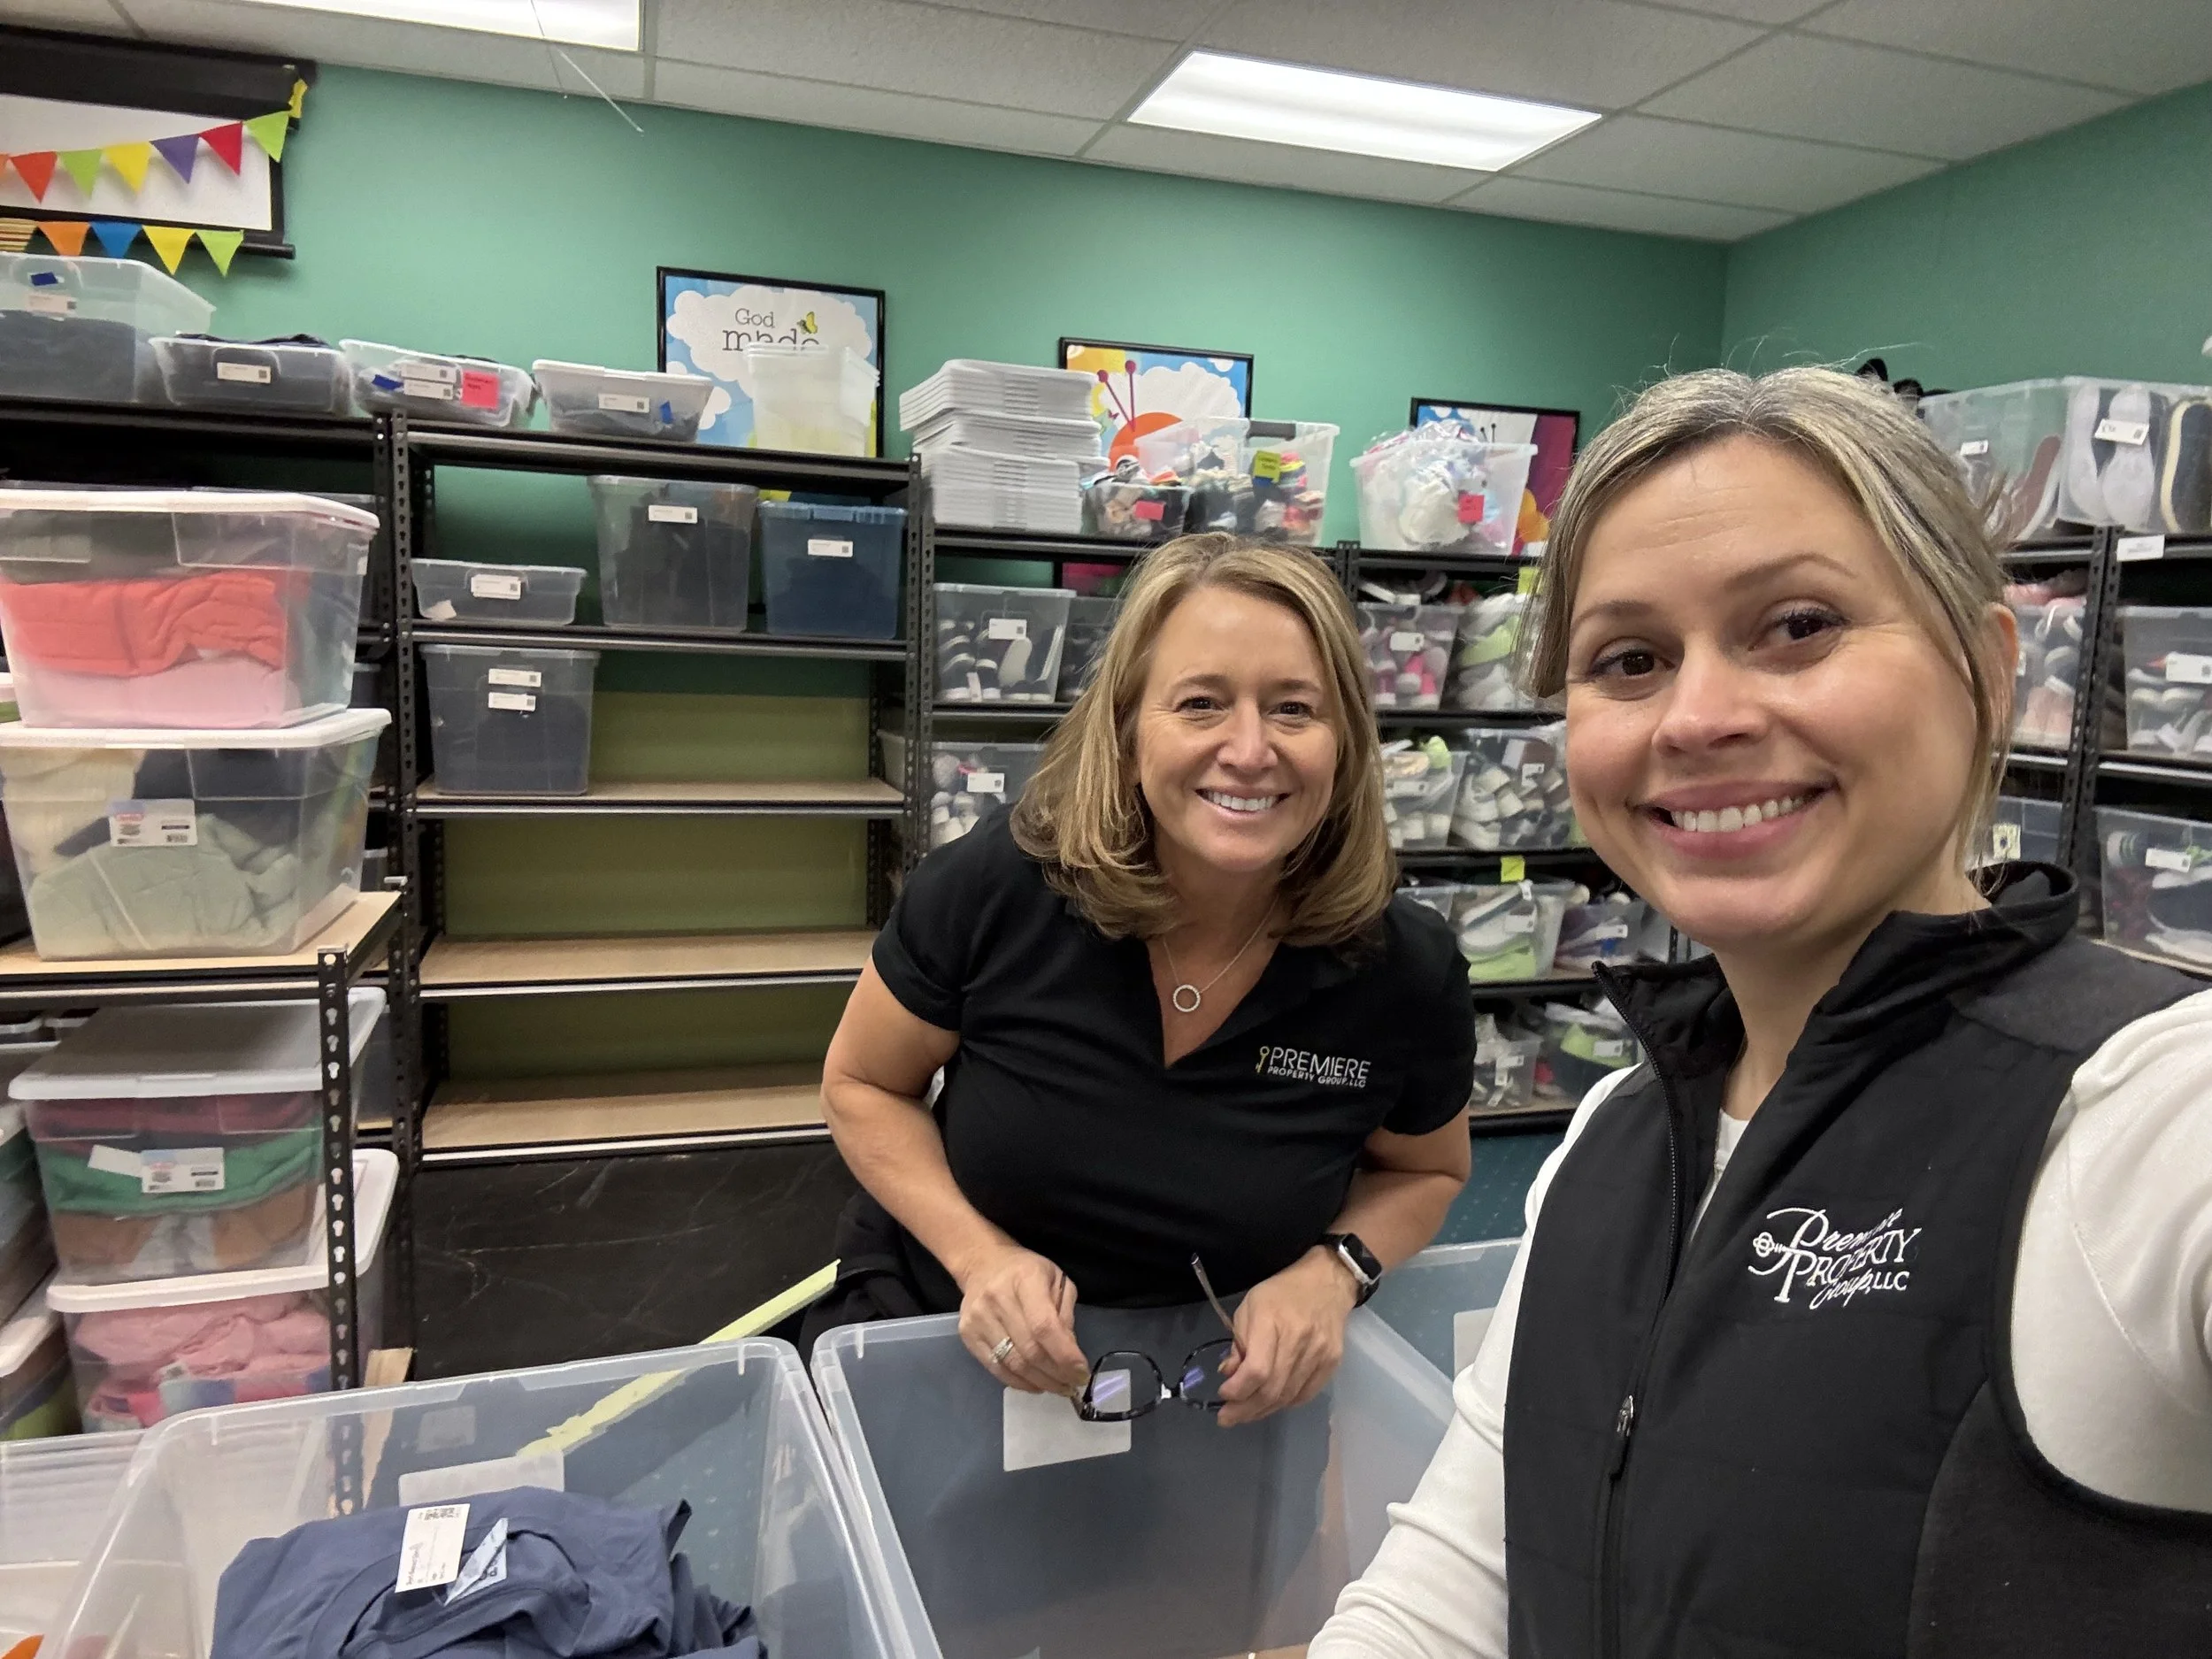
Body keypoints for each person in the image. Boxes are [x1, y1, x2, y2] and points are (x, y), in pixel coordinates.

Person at [1312, 366, 2212, 1659]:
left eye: (1797, 624)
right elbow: (1452, 1591)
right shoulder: (1614, 1136)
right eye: (1629, 658)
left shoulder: (2149, 1110)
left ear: (1988, 666)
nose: (1701, 715)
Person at [814, 532, 1474, 1428]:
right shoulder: (997, 887)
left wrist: (1334, 1273)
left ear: (1346, 746)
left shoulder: (1404, 968)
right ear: (1127, 732)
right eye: (1201, 703)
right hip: (949, 1347)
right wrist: (981, 1261)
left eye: (1293, 710)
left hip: (1213, 1393)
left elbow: (1428, 1173)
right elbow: (861, 1084)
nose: (1249, 750)